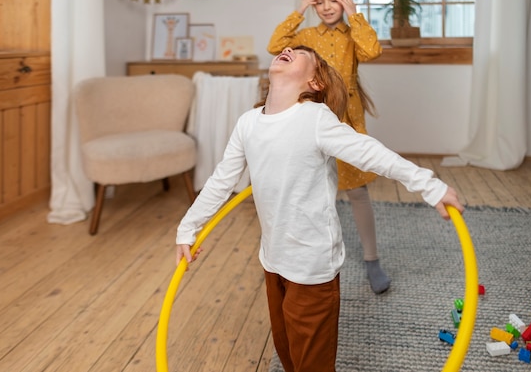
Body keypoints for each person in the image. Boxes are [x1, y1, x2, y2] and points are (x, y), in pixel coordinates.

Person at [175, 46, 464, 372]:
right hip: (272, 260)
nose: (286, 50)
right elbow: (221, 181)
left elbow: (370, 153)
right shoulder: (248, 123)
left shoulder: (314, 119)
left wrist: (429, 185)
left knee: (312, 363)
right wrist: (187, 227)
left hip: (312, 266)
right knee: (287, 354)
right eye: (288, 49)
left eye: (299, 53)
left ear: (315, 82)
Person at [267, 0, 390, 293]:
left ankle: (371, 260)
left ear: (345, 0)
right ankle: (297, 258)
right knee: (307, 188)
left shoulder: (353, 34)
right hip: (310, 117)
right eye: (318, 2)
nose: (325, 7)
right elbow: (274, 46)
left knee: (357, 192)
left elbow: (372, 51)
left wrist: (354, 14)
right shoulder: (305, 34)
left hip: (346, 118)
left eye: (333, 0)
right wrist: (298, 11)